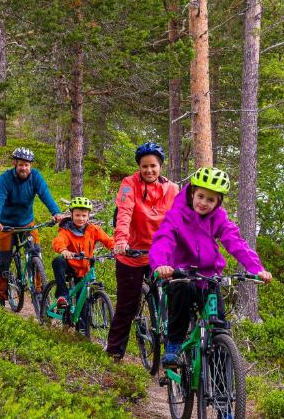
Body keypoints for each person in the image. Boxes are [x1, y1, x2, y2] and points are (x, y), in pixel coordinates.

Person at [150, 167, 272, 364]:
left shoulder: (219, 217)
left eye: (210, 200)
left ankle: (221, 384)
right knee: (182, 292)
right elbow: (164, 238)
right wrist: (162, 264)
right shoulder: (177, 214)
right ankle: (174, 343)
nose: (204, 203)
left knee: (220, 327)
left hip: (209, 276)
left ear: (218, 202)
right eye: (201, 196)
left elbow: (235, 241)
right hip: (181, 273)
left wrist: (256, 268)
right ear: (192, 192)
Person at [105, 142, 179, 359]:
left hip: (160, 254)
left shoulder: (172, 189)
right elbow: (124, 213)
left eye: (153, 166)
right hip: (132, 253)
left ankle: (173, 353)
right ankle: (114, 352)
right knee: (127, 305)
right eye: (144, 166)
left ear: (161, 166)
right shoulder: (129, 184)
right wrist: (121, 240)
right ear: (139, 167)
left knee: (175, 300)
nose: (149, 170)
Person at [0, 147, 65, 306]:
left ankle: (38, 292)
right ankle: (1, 297)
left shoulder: (36, 177)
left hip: (27, 223)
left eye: (27, 165)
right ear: (14, 163)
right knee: (4, 261)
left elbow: (45, 195)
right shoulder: (5, 179)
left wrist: (56, 212)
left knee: (36, 253)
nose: (24, 168)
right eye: (21, 164)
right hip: (5, 225)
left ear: (31, 166)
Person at [51, 197, 115, 319]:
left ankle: (82, 331)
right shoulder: (66, 230)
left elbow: (107, 240)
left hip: (84, 268)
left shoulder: (94, 229)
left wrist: (114, 249)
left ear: (88, 216)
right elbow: (58, 241)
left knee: (83, 306)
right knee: (58, 261)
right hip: (70, 265)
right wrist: (64, 250)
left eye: (84, 216)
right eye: (77, 215)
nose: (81, 218)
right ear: (71, 215)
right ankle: (62, 296)